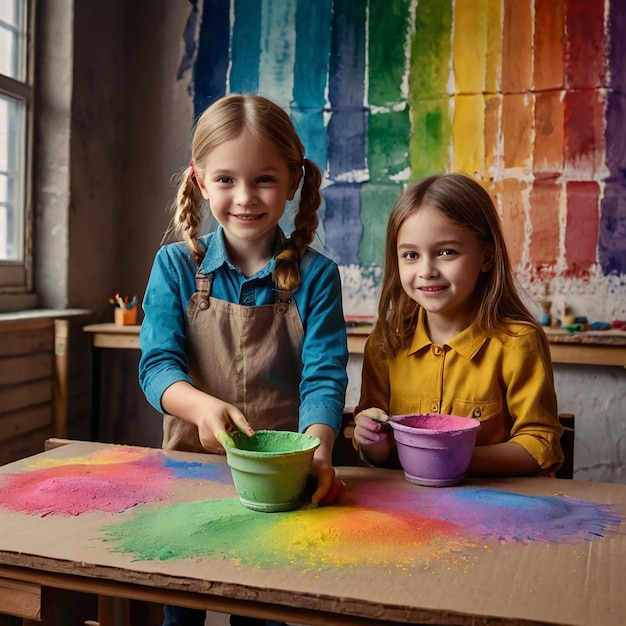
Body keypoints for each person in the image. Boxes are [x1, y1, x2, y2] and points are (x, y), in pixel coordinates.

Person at [138, 93, 348, 626]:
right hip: (191, 471)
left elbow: (323, 380)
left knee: (260, 610)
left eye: (264, 179)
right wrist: (202, 410)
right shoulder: (175, 266)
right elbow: (157, 367)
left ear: (294, 180)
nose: (245, 197)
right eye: (226, 179)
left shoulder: (317, 276)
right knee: (181, 612)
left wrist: (319, 455)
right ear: (201, 180)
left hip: (281, 480)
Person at [353, 172, 563, 475]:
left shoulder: (518, 343)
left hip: (495, 512)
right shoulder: (385, 344)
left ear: (486, 257)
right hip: (408, 513)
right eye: (411, 255)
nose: (426, 270)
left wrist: (449, 462)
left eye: (446, 252)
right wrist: (371, 439)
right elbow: (380, 454)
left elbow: (540, 446)